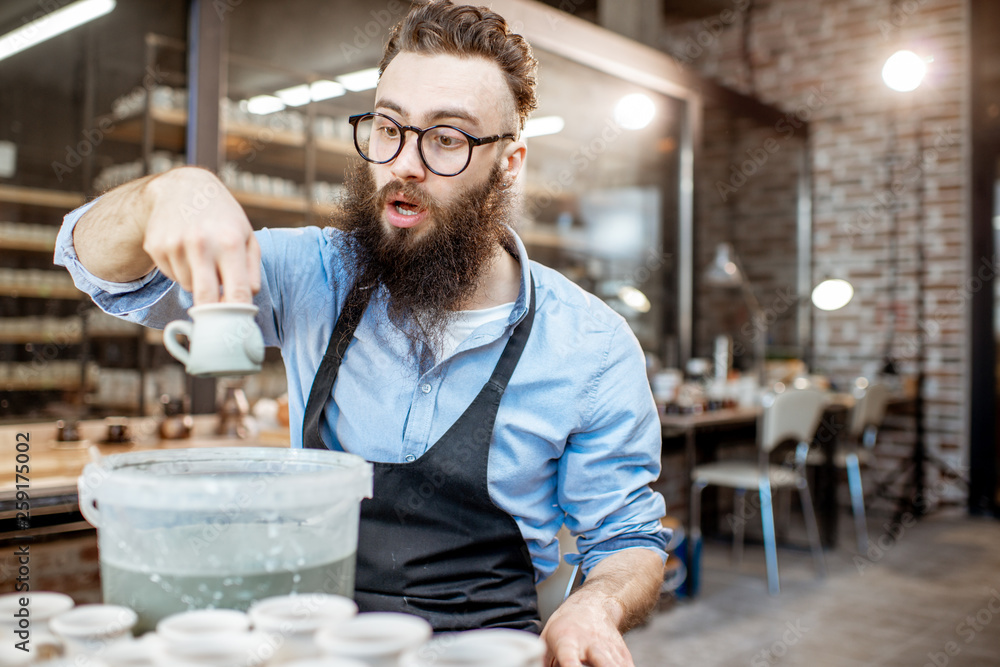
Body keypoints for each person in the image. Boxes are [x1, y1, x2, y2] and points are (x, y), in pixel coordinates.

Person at [54, 2, 668, 664]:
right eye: (388, 127)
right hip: (312, 646)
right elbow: (107, 276)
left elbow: (626, 536)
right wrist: (158, 198)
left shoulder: (590, 346)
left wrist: (594, 604)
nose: (404, 163)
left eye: (447, 138)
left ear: (510, 162)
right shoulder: (317, 276)